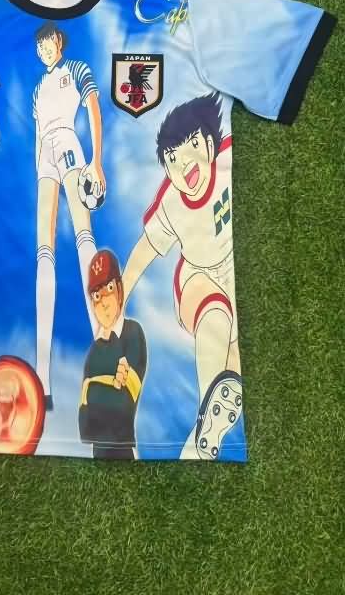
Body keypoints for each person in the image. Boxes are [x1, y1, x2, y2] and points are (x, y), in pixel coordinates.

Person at [122, 93, 242, 460]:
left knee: (233, 373)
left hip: (230, 271)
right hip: (196, 278)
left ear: (210, 143)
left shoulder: (226, 159)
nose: (183, 162)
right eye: (172, 159)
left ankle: (200, 441)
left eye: (191, 145)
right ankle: (208, 410)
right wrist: (121, 296)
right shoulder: (171, 203)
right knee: (215, 315)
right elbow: (145, 248)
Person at [32, 21, 105, 409]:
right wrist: (37, 166)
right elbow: (37, 133)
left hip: (69, 144)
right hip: (45, 155)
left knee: (82, 233)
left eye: (48, 42)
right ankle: (42, 376)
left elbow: (92, 107)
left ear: (59, 41)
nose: (44, 49)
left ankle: (102, 345)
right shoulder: (37, 89)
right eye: (39, 46)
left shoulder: (76, 69)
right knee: (44, 250)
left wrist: (97, 161)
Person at [79, 249, 147, 460]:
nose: (103, 302)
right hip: (97, 452)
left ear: (119, 289)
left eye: (109, 288)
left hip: (124, 449)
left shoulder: (133, 332)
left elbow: (124, 405)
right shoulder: (93, 351)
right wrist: (111, 386)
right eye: (96, 295)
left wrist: (94, 390)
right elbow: (84, 427)